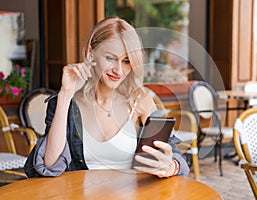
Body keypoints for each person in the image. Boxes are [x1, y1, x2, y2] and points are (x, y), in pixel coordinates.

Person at [24, 16, 189, 178]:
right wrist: (66, 94)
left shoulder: (140, 100)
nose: (119, 70)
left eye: (126, 61)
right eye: (111, 58)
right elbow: (50, 165)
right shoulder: (66, 103)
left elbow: (174, 153)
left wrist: (170, 165)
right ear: (91, 53)